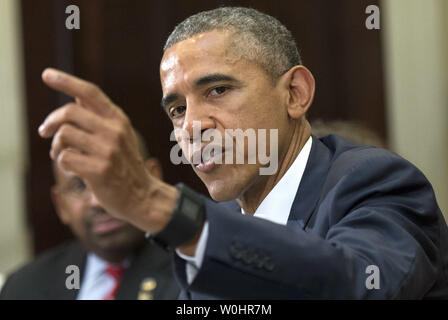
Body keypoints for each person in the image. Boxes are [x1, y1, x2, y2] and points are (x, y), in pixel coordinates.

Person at [35, 7, 447, 299]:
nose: (192, 125)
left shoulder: (375, 182)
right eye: (177, 109)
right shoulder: (220, 224)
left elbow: (356, 286)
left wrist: (154, 203)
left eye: (218, 90)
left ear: (295, 93)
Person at [0, 136, 179, 300]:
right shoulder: (24, 286)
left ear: (153, 177)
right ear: (60, 205)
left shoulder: (195, 270)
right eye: (79, 186)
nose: (98, 202)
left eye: (112, 178)